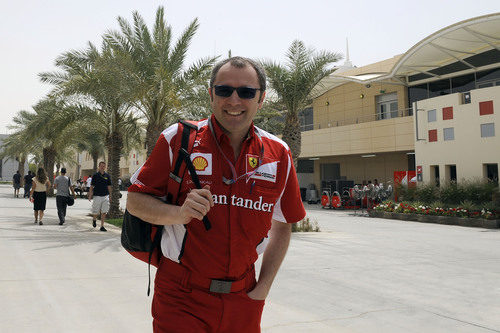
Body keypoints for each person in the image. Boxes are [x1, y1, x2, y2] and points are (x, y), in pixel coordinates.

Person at [127, 57, 306, 332]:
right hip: (181, 295)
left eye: (246, 92)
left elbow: (283, 224)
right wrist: (179, 213)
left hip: (243, 298)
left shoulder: (278, 153)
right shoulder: (178, 139)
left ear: (261, 99)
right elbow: (135, 201)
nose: (234, 100)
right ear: (211, 94)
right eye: (224, 90)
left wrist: (262, 289)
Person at [88, 162, 111, 232]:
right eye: (101, 166)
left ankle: (102, 226)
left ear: (105, 167)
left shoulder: (107, 175)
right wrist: (90, 195)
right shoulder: (95, 175)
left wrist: (110, 195)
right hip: (97, 196)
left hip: (105, 195)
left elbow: (109, 186)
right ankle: (94, 219)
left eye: (104, 166)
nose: (102, 167)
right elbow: (92, 186)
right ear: (99, 166)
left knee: (104, 211)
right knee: (96, 211)